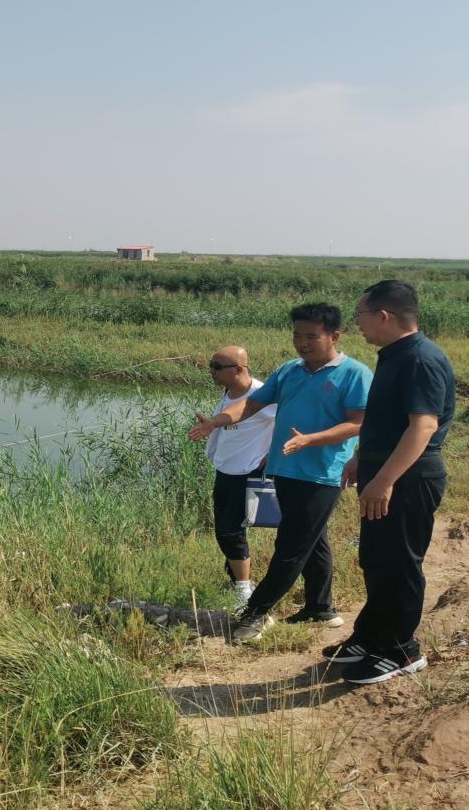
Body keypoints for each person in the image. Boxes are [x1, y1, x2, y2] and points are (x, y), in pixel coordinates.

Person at [189, 304, 372, 642]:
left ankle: (255, 613)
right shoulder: (290, 370)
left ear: (334, 336)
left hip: (322, 473)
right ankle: (320, 607)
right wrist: (217, 421)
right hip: (284, 469)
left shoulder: (354, 374)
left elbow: (358, 422)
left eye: (311, 337)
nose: (302, 343)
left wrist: (310, 440)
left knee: (292, 545)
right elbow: (251, 404)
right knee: (313, 539)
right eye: (297, 335)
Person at [323, 280, 455, 684]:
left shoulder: (419, 359)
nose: (357, 323)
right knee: (376, 559)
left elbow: (423, 427)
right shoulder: (394, 355)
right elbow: (384, 419)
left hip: (407, 477)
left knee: (399, 564)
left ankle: (401, 650)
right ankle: (372, 636)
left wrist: (384, 479)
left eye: (360, 315)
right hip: (384, 471)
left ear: (383, 316)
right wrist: (361, 459)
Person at [200, 346, 276, 607]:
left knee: (231, 531)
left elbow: (289, 423)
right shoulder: (229, 391)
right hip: (225, 469)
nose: (212, 371)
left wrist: (271, 455)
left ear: (239, 369)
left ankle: (244, 591)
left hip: (247, 471)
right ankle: (236, 579)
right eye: (211, 365)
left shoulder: (261, 395)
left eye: (217, 367)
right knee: (222, 530)